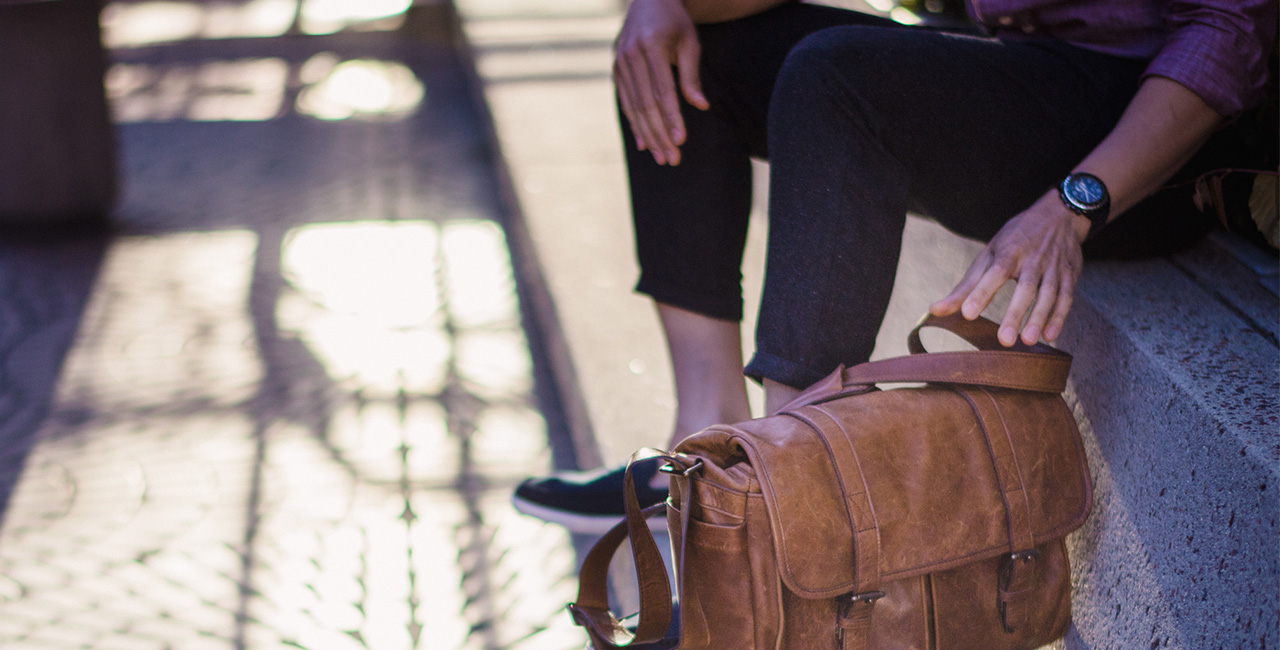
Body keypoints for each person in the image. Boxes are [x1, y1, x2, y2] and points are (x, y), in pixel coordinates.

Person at [513, 0, 1275, 534]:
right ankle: (705, 443)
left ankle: (784, 499)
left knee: (834, 73)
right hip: (1030, 68)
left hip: (1155, 144)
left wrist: (1073, 206)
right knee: (687, 55)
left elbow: (1229, 31)